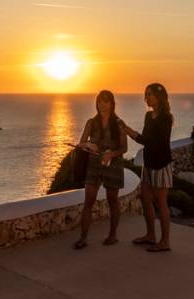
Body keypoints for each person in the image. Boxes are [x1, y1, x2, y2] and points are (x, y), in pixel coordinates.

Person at [120, 83, 174, 253]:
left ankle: (165, 242)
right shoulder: (148, 116)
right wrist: (129, 131)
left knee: (161, 202)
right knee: (145, 199)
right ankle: (150, 235)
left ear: (159, 96)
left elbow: (153, 142)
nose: (147, 97)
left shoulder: (166, 118)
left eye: (150, 94)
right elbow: (144, 139)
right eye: (146, 94)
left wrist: (128, 131)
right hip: (148, 163)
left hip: (161, 164)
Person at [73, 91, 128, 249]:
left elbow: (124, 147)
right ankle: (83, 238)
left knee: (112, 201)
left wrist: (110, 154)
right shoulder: (91, 122)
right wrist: (90, 145)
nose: (102, 104)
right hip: (93, 165)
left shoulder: (119, 123)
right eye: (99, 101)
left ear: (112, 103)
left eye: (106, 101)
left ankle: (112, 235)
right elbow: (81, 144)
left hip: (114, 165)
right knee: (88, 200)